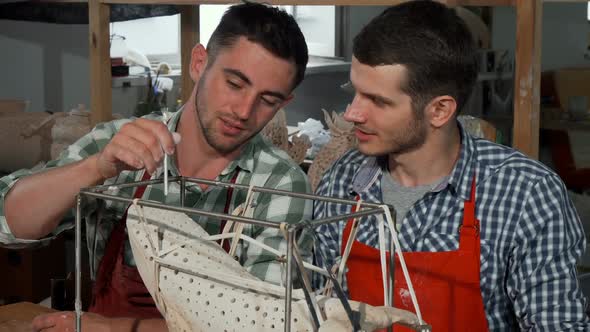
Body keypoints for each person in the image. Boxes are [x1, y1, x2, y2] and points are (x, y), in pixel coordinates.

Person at [0, 3, 311, 331]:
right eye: (234, 84)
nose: (245, 111)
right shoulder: (119, 144)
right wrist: (94, 168)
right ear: (199, 64)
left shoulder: (280, 185)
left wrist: (113, 330)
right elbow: (9, 223)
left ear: (284, 103)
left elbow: (265, 326)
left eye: (268, 101)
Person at [313, 1, 589, 331]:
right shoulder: (342, 183)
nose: (352, 114)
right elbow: (327, 313)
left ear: (440, 110)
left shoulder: (525, 195)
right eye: (355, 92)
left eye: (379, 101)